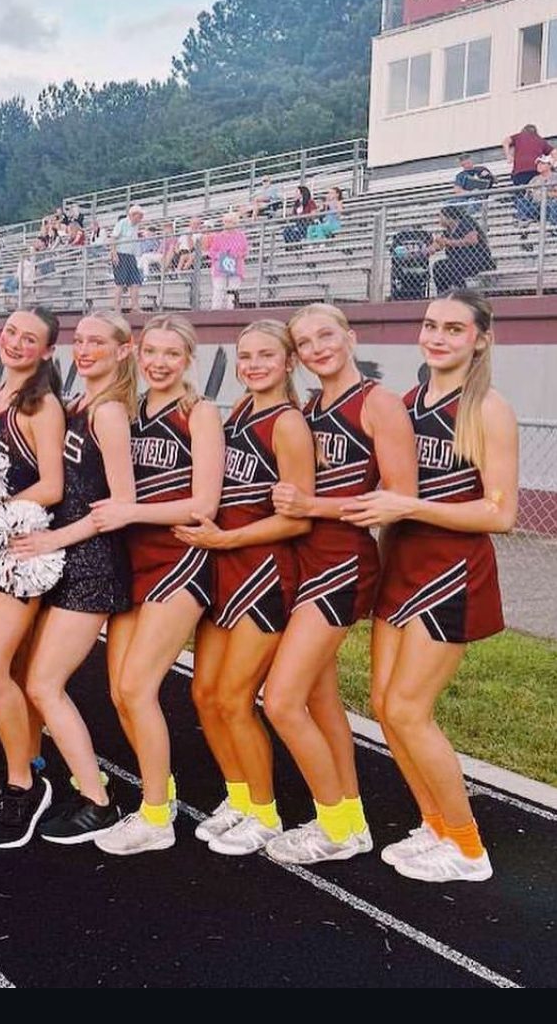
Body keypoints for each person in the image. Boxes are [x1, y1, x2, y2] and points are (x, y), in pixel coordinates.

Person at [343, 291, 517, 883]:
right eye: (430, 325)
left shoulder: (488, 409)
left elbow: (500, 515)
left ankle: (469, 850)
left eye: (453, 329)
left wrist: (409, 504)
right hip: (402, 564)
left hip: (451, 571)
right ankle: (436, 825)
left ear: (480, 339)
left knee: (412, 710)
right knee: (386, 707)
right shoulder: (407, 403)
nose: (437, 337)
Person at [260, 304, 416, 865]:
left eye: (326, 335)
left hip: (342, 565)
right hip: (303, 561)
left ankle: (334, 824)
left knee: (280, 701)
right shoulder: (309, 406)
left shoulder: (377, 402)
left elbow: (396, 500)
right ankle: (351, 818)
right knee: (321, 701)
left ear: (350, 337)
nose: (317, 347)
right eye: (304, 342)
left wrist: (312, 504)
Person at [176, 319, 315, 856]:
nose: (254, 365)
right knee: (204, 693)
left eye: (266, 356)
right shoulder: (237, 412)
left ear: (288, 363)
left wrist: (226, 540)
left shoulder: (287, 424)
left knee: (236, 698)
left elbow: (297, 520)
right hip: (224, 566)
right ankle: (239, 795)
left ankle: (266, 812)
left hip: (261, 570)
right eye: (246, 356)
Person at [88, 315, 224, 854]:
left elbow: (203, 505)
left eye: (172, 353)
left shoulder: (201, 413)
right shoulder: (131, 412)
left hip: (181, 559)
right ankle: (157, 791)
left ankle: (156, 817)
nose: (159, 362)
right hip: (134, 559)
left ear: (188, 358)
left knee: (138, 688)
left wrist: (130, 511)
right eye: (151, 352)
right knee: (120, 691)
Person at [9, 310, 138, 844]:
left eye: (97, 343)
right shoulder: (79, 404)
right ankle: (58, 782)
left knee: (43, 683)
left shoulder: (107, 413)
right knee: (33, 679)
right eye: (79, 341)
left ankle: (98, 798)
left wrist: (53, 540)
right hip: (66, 560)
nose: (84, 350)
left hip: (92, 564)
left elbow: (122, 504)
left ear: (123, 350)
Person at [0, 308, 65, 847]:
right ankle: (27, 768)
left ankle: (25, 785)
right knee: (14, 670)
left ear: (47, 352)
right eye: (11, 333)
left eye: (31, 340)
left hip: (21, 550)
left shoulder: (41, 404)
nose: (17, 343)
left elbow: (51, 485)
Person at [430, 205, 495, 293]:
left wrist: (449, 242)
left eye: (441, 217)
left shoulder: (466, 222)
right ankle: (443, 294)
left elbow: (473, 240)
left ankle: (462, 293)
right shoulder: (447, 231)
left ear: (449, 217)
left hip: (476, 259)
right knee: (438, 266)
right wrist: (432, 246)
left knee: (451, 267)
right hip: (457, 261)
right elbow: (438, 245)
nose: (439, 220)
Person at [205, 212, 249, 310]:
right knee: (218, 288)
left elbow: (245, 251)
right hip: (220, 266)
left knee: (233, 289)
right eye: (226, 222)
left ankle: (231, 308)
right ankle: (216, 309)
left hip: (236, 266)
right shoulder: (218, 236)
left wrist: (236, 255)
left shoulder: (241, 236)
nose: (228, 224)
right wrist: (220, 255)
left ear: (235, 223)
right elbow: (211, 252)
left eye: (230, 222)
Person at [109, 205, 145, 313]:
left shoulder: (136, 225)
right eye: (139, 216)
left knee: (135, 280)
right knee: (120, 282)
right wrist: (114, 254)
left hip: (131, 255)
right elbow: (113, 238)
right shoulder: (122, 223)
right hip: (121, 254)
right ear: (132, 215)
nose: (141, 219)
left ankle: (134, 305)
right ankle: (117, 307)